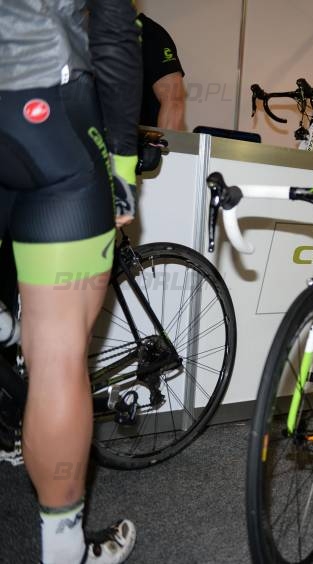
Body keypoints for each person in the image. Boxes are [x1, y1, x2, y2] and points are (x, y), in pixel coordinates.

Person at [0, 1, 141, 562]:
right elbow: (112, 34)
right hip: (46, 100)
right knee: (56, 354)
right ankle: (65, 553)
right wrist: (124, 167)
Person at [138, 12, 186, 130]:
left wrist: (163, 147)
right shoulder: (91, 36)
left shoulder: (150, 34)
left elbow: (173, 102)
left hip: (134, 145)